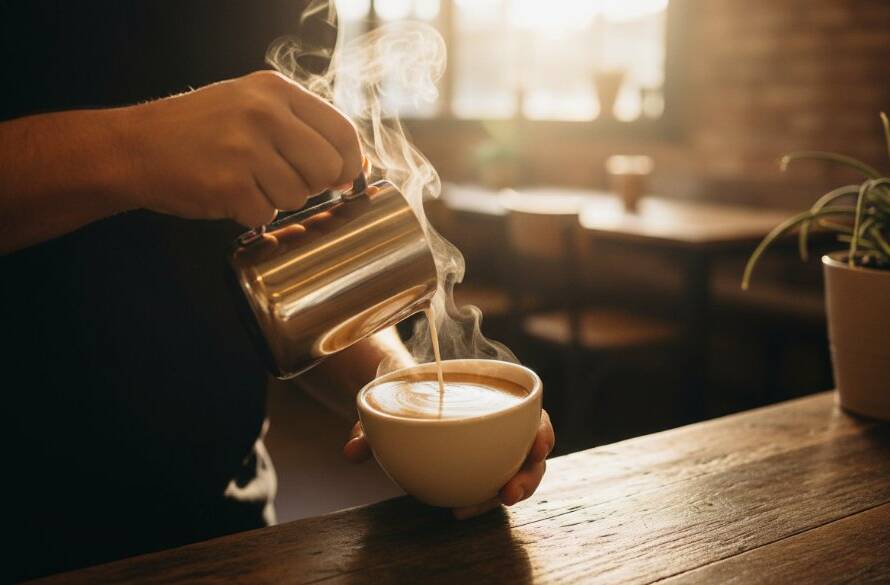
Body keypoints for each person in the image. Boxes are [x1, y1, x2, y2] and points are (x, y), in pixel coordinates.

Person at [1, 2, 553, 581]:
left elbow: (304, 269)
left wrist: (400, 398)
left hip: (227, 517)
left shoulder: (293, 10)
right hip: (21, 527)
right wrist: (133, 150)